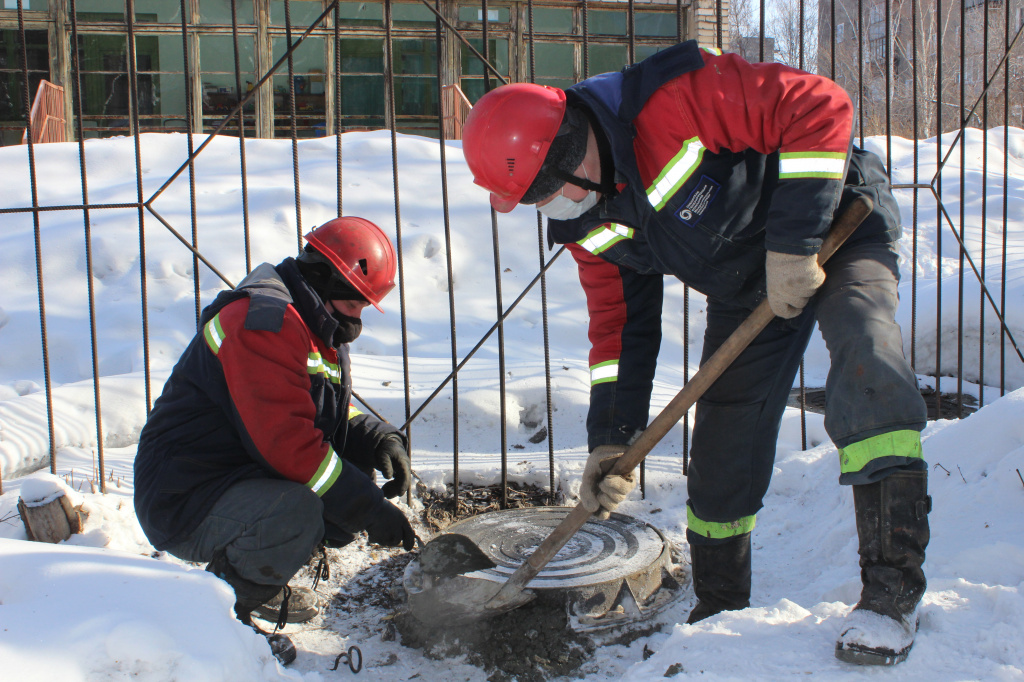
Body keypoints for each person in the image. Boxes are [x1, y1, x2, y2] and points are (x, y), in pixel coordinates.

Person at [461, 41, 931, 666]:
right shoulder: (585, 220)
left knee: (866, 357)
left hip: (834, 224)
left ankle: (890, 594)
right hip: (746, 284)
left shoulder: (670, 97)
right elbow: (621, 329)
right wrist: (612, 436)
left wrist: (793, 245)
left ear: (572, 149)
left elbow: (820, 105)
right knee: (721, 447)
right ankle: (719, 609)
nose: (554, 209)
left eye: (550, 192)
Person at [134, 217, 415, 665]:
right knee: (298, 512)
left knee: (337, 495)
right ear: (325, 279)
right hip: (184, 494)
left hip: (229, 472)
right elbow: (289, 444)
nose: (359, 315)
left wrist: (377, 438)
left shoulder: (308, 317)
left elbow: (318, 404)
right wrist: (369, 508)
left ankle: (251, 576)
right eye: (356, 301)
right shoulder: (263, 322)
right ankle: (219, 625)